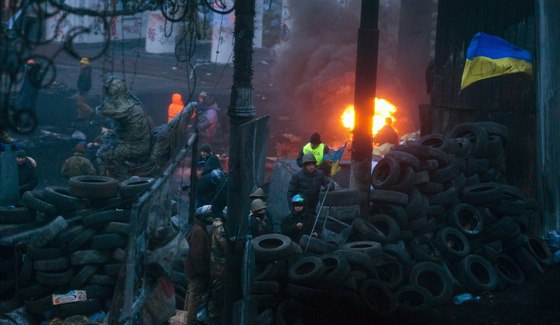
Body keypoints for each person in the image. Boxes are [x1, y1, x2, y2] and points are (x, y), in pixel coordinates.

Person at [96, 77, 152, 180]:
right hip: (138, 142)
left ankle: (123, 180)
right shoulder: (133, 103)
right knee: (106, 146)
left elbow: (103, 110)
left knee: (104, 155)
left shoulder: (125, 108)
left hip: (136, 146)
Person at [184, 205, 213, 325]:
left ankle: (185, 319)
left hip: (192, 270)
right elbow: (197, 254)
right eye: (208, 216)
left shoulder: (196, 228)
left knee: (191, 294)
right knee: (194, 297)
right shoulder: (199, 232)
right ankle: (190, 321)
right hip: (197, 271)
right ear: (203, 217)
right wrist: (202, 270)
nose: (210, 218)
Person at [208, 210, 228, 324]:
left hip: (218, 265)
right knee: (217, 294)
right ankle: (213, 318)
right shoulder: (220, 229)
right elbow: (225, 247)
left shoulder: (219, 226)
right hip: (219, 267)